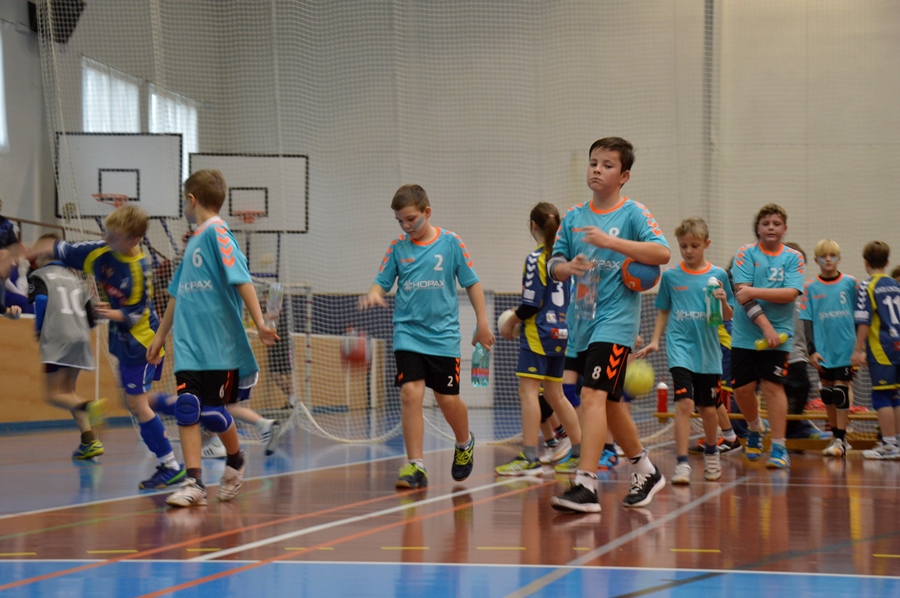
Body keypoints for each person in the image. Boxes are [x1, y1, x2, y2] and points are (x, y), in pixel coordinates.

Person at [547, 137, 670, 513]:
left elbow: (662, 252)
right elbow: (554, 264)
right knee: (612, 404)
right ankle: (646, 471)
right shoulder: (573, 217)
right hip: (581, 321)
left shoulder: (633, 213)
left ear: (624, 175)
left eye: (607, 165)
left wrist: (611, 243)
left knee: (592, 396)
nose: (597, 169)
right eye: (593, 163)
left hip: (615, 322)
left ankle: (586, 484)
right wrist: (567, 268)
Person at [147, 169, 279, 507]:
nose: (184, 207)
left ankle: (235, 459)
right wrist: (160, 337)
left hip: (220, 347)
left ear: (192, 200)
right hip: (188, 347)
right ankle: (194, 482)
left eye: (184, 201)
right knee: (187, 408)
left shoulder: (218, 232)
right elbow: (176, 294)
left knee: (213, 413)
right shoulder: (193, 241)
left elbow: (242, 277)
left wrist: (261, 322)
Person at [32, 205, 186, 489]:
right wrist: (24, 251)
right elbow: (61, 248)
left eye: (113, 237)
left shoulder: (138, 269)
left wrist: (110, 313)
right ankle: (188, 408)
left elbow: (137, 312)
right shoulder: (101, 251)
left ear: (133, 240)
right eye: (106, 233)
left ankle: (171, 465)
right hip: (123, 342)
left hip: (142, 343)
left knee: (137, 405)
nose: (106, 239)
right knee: (129, 402)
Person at [359, 183, 493, 489]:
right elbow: (381, 281)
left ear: (427, 212)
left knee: (447, 400)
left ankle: (464, 442)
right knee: (411, 393)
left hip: (443, 336)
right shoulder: (398, 247)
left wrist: (482, 323)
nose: (406, 226)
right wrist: (375, 293)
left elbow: (471, 283)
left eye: (411, 219)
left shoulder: (451, 242)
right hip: (407, 333)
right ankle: (415, 465)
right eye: (400, 221)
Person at [637, 216, 734, 484]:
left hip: (708, 351)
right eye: (683, 246)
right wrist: (655, 340)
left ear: (706, 244)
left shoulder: (718, 276)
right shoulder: (671, 276)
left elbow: (728, 316)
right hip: (679, 347)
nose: (689, 251)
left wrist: (724, 301)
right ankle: (682, 464)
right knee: (684, 404)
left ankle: (712, 453)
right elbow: (663, 310)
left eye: (694, 246)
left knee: (709, 409)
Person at [495, 202, 582, 476]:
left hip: (538, 333)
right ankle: (579, 453)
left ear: (533, 225)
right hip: (561, 331)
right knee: (556, 394)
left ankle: (529, 457)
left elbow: (531, 303)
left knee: (528, 392)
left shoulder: (536, 259)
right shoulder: (562, 261)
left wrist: (511, 321)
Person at [729, 204, 805, 469]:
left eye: (776, 223)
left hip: (779, 335)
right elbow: (743, 297)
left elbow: (791, 294)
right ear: (758, 229)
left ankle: (779, 447)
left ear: (785, 229)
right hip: (746, 333)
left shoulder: (794, 257)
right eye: (766, 223)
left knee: (773, 387)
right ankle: (755, 427)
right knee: (742, 389)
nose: (771, 227)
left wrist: (755, 291)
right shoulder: (745, 253)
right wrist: (765, 327)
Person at [27, 233, 105, 458]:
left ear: (44, 253)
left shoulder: (38, 276)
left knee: (53, 394)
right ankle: (89, 440)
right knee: (68, 392)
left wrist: (40, 328)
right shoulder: (76, 279)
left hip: (57, 337)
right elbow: (92, 317)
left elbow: (41, 300)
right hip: (80, 338)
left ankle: (89, 405)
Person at [798, 240, 857, 455]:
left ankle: (841, 438)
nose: (829, 260)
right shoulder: (810, 287)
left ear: (839, 258)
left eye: (833, 256)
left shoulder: (850, 283)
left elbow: (860, 316)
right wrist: (812, 350)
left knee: (841, 392)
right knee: (828, 395)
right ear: (816, 260)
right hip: (824, 351)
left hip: (846, 349)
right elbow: (807, 320)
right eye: (824, 256)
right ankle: (836, 436)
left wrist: (859, 348)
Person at [851, 241, 900, 459]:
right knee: (895, 395)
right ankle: (897, 441)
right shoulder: (896, 284)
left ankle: (888, 445)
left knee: (881, 396)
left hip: (882, 348)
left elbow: (864, 321)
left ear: (866, 262)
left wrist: (857, 350)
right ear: (887, 262)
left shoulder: (866, 286)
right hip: (898, 346)